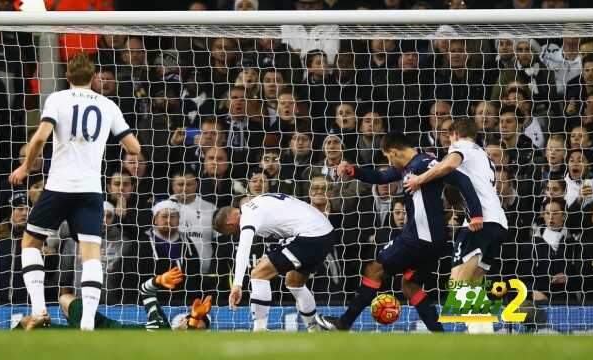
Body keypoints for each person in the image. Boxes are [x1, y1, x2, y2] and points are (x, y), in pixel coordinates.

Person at [8, 52, 141, 330]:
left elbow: (40, 137)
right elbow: (134, 148)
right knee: (91, 254)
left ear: (67, 77)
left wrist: (24, 168)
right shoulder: (108, 105)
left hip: (59, 186)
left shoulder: (57, 99)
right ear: (93, 78)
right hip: (90, 190)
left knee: (30, 243)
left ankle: (40, 309)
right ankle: (89, 321)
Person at [315, 132, 482, 333]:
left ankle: (343, 323)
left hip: (418, 238)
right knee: (409, 285)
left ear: (393, 151)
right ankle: (439, 334)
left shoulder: (423, 163)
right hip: (434, 241)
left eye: (388, 156)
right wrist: (353, 171)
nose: (388, 160)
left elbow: (461, 179)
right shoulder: (409, 166)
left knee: (374, 270)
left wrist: (476, 214)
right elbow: (380, 176)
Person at [404, 118, 508, 333]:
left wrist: (418, 179)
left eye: (446, 135)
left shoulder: (461, 147)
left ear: (454, 134)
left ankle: (481, 341)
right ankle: (486, 343)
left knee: (458, 285)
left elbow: (450, 164)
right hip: (498, 223)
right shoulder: (482, 154)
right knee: (474, 285)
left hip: (481, 222)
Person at [212, 193, 337, 332]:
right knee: (294, 283)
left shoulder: (247, 217)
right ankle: (314, 329)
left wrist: (237, 284)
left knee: (258, 274)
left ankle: (259, 330)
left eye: (231, 232)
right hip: (325, 232)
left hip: (310, 235)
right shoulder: (257, 202)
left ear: (230, 224)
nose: (236, 234)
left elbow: (243, 248)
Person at [18, 267, 212, 331]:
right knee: (65, 298)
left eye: (195, 327)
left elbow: (184, 339)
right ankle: (71, 324)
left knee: (28, 323)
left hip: (96, 336)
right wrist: (159, 280)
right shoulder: (161, 324)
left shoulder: (171, 340)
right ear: (181, 320)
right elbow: (146, 291)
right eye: (189, 319)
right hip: (102, 324)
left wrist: (195, 321)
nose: (189, 323)